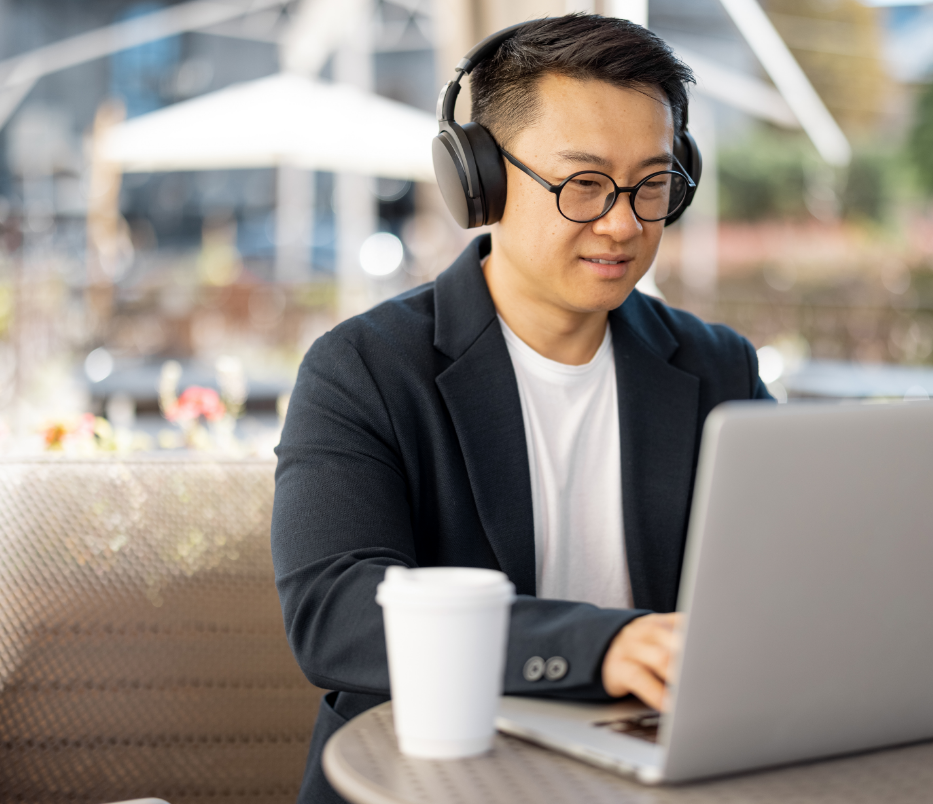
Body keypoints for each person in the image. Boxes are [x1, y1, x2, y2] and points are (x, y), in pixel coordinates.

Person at [270, 15, 772, 804]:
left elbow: (790, 574)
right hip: (428, 782)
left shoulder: (717, 368)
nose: (624, 223)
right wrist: (600, 646)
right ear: (483, 182)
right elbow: (337, 614)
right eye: (583, 185)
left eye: (651, 184)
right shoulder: (361, 369)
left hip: (655, 776)